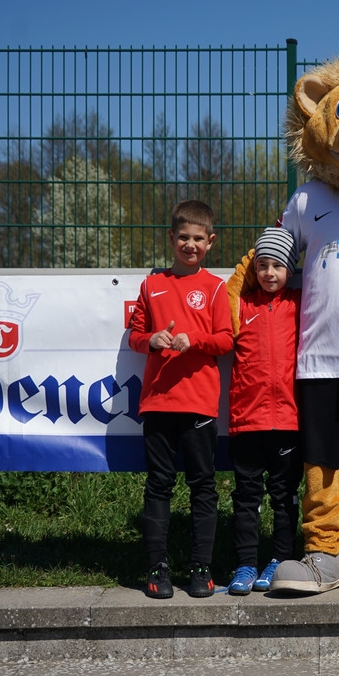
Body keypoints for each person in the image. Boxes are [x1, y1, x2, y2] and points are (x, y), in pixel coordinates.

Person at [128, 199, 234, 599]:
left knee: (202, 485)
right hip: (158, 402)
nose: (190, 245)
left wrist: (195, 341)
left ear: (210, 242)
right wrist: (150, 340)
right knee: (159, 484)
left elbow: (226, 340)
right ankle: (157, 567)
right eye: (183, 238)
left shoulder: (216, 287)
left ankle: (201, 568)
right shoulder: (151, 285)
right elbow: (135, 335)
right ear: (171, 238)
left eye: (198, 239)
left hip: (199, 403)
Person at [226, 227, 304, 595]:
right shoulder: (240, 306)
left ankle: (280, 559)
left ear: (291, 268)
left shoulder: (300, 304)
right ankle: (245, 563)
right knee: (246, 497)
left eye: (278, 265)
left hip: (289, 419)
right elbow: (231, 288)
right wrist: (250, 256)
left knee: (284, 496)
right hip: (247, 419)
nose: (269, 273)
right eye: (262, 265)